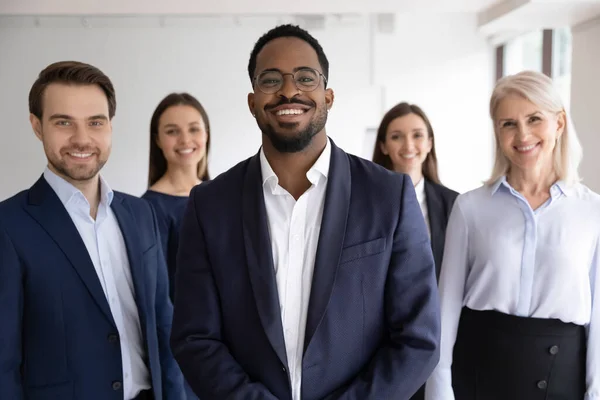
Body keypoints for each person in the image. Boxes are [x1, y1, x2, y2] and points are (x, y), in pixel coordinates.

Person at [170, 24, 440, 400]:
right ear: (252, 102)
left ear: (328, 96)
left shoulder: (387, 196)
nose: (289, 90)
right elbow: (195, 337)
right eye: (270, 80)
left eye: (305, 77)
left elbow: (418, 338)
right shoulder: (209, 205)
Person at [0, 61, 185, 400]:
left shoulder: (142, 213)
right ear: (37, 126)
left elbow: (163, 327)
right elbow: (3, 362)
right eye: (63, 122)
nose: (81, 138)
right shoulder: (8, 225)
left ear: (110, 126)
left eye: (95, 122)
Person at [425, 70, 600, 400]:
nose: (523, 134)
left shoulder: (592, 212)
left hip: (563, 381)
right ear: (497, 131)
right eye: (508, 123)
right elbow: (444, 314)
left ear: (559, 123)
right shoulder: (470, 208)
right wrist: (439, 393)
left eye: (535, 119)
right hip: (477, 377)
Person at [373, 102, 458, 280]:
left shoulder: (453, 204)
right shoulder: (365, 203)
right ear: (383, 146)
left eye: (417, 135)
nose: (408, 146)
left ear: (429, 143)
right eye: (396, 137)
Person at [142, 92, 210, 301]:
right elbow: (158, 295)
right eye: (172, 131)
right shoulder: (148, 209)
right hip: (187, 330)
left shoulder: (224, 196)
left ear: (206, 134)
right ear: (158, 140)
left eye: (194, 129)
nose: (185, 140)